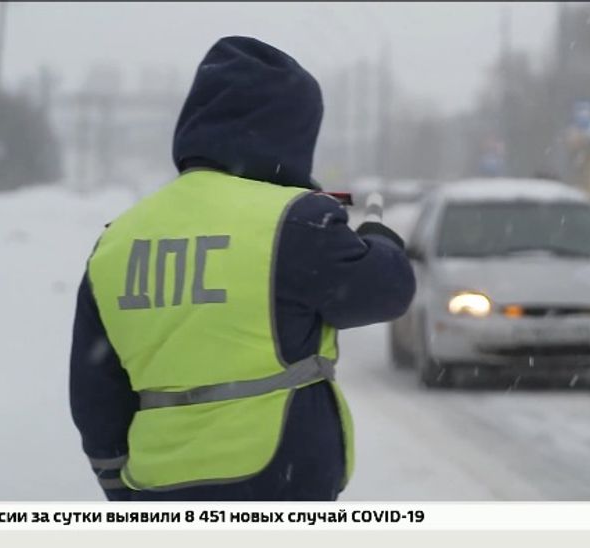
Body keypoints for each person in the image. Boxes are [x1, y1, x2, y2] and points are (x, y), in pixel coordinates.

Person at [69, 36, 415, 501]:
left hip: (158, 486)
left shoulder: (118, 238)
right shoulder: (295, 220)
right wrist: (379, 237)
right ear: (290, 133)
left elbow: (95, 389)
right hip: (276, 480)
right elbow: (388, 290)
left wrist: (116, 480)